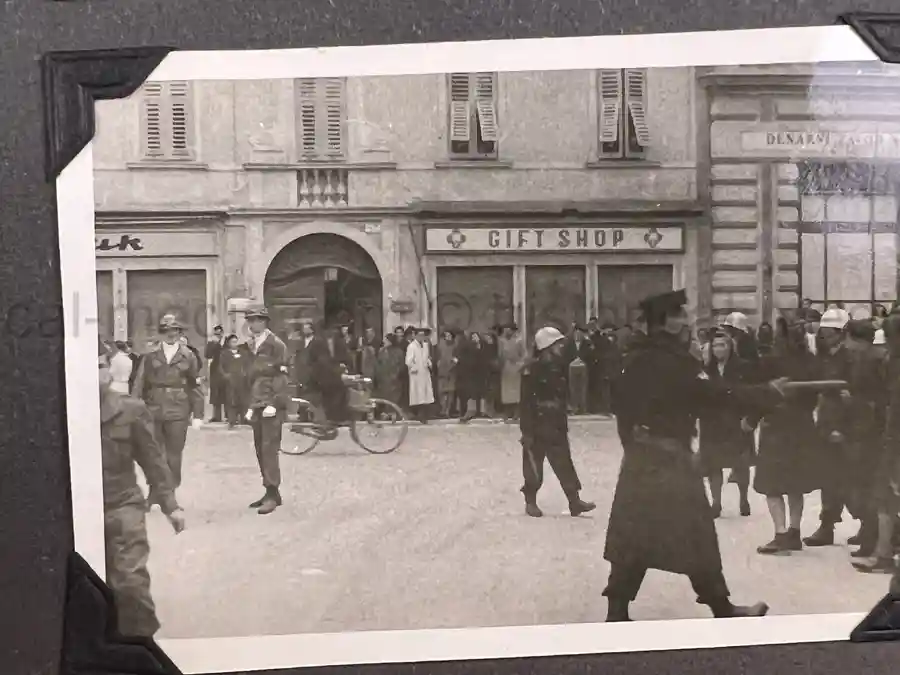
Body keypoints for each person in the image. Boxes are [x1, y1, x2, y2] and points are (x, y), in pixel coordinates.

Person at [604, 289, 785, 622]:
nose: (686, 320)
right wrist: (764, 394)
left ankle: (617, 609)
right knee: (696, 532)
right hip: (670, 459)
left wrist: (632, 444)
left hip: (642, 459)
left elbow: (620, 406)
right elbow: (712, 393)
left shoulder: (633, 356)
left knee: (635, 532)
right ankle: (721, 607)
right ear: (667, 322)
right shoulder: (673, 359)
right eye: (680, 315)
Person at [99, 338, 185, 637]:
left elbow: (154, 461)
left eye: (100, 366)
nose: (94, 374)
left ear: (109, 371)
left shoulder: (130, 410)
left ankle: (142, 647)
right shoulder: (61, 412)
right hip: (75, 511)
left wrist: (171, 505)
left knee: (130, 583)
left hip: (122, 506)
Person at [750, 321, 819, 555]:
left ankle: (780, 534)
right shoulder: (811, 362)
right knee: (795, 483)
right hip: (803, 425)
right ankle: (794, 532)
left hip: (777, 426)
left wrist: (751, 419)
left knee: (772, 484)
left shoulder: (770, 360)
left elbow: (762, 394)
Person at [519, 326, 596, 518]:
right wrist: (526, 430)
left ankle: (574, 501)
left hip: (556, 422)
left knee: (564, 463)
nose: (561, 346)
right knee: (533, 465)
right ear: (548, 346)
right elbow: (526, 401)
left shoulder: (558, 366)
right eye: (557, 343)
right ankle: (530, 501)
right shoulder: (532, 370)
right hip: (537, 423)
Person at [131, 315, 204, 504]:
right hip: (153, 408)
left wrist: (198, 414)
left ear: (179, 333)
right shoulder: (150, 355)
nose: (171, 335)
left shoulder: (188, 355)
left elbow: (194, 385)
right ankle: (155, 491)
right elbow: (139, 383)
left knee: (173, 454)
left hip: (179, 409)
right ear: (161, 333)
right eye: (166, 331)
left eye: (175, 331)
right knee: (154, 453)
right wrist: (132, 408)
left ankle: (169, 492)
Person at [854, 313, 900, 574]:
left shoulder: (894, 368)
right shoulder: (890, 365)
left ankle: (883, 555)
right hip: (891, 439)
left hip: (895, 441)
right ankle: (883, 552)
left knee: (886, 498)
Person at [698, 329, 755, 518]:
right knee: (713, 464)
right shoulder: (706, 370)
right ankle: (716, 502)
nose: (718, 349)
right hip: (712, 422)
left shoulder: (742, 368)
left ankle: (744, 498)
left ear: (730, 347)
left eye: (722, 345)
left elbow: (748, 393)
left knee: (740, 462)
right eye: (715, 345)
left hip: (735, 419)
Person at [243, 307, 291, 515]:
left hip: (271, 404)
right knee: (259, 448)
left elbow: (282, 376)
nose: (251, 324)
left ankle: (272, 492)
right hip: (257, 402)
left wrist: (275, 402)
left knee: (269, 448)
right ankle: (270, 491)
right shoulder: (252, 345)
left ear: (264, 322)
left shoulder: (275, 345)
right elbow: (251, 378)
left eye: (255, 320)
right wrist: (250, 405)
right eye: (250, 320)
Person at [294, 319, 347, 428]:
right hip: (309, 374)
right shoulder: (304, 342)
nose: (305, 329)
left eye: (307, 327)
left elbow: (323, 360)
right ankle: (309, 415)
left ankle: (326, 418)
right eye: (304, 327)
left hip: (316, 374)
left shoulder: (318, 342)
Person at [218, 334, 248, 429]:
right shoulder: (224, 353)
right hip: (230, 380)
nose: (235, 343)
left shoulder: (243, 352)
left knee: (243, 399)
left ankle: (244, 419)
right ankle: (232, 420)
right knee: (231, 400)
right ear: (229, 343)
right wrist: (225, 375)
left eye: (236, 341)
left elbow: (248, 364)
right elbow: (220, 366)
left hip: (242, 380)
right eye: (232, 342)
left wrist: (246, 374)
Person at [406, 326, 435, 423]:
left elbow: (427, 357)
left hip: (425, 373)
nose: (421, 337)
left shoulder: (425, 345)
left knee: (426, 395)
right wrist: (415, 368)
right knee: (418, 395)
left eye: (423, 335)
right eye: (419, 335)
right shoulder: (411, 346)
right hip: (416, 374)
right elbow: (408, 361)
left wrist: (428, 363)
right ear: (415, 336)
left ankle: (424, 415)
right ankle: (420, 415)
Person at [498, 323, 526, 421]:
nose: (506, 331)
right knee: (506, 392)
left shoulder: (519, 341)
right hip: (506, 368)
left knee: (516, 392)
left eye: (508, 329)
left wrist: (520, 364)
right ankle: (507, 412)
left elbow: (523, 354)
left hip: (516, 368)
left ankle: (516, 413)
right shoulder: (502, 341)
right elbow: (500, 354)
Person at [205, 324, 227, 422]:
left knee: (227, 393)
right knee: (215, 394)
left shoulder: (227, 343)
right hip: (215, 370)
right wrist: (214, 344)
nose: (218, 335)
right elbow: (207, 355)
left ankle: (228, 416)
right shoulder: (211, 344)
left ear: (222, 333)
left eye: (219, 333)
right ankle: (216, 416)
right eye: (216, 334)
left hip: (226, 370)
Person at [435, 330, 458, 418]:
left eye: (449, 335)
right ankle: (442, 409)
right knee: (441, 391)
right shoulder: (441, 346)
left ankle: (447, 410)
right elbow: (437, 357)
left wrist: (454, 362)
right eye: (446, 335)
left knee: (450, 392)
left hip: (451, 371)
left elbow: (457, 358)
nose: (447, 337)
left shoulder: (455, 346)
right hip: (442, 371)